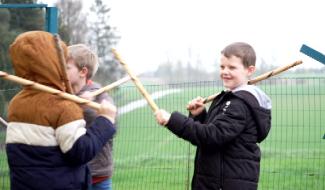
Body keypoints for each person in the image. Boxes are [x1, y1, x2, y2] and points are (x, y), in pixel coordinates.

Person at [5, 31, 116, 190]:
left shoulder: (16, 102)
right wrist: (105, 120)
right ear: (53, 63)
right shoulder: (63, 106)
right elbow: (80, 151)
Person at [155, 42, 272, 190]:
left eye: (232, 67)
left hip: (226, 184)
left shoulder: (239, 105)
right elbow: (213, 134)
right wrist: (199, 115)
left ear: (250, 70)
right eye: (222, 67)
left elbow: (212, 136)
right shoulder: (228, 99)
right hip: (216, 181)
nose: (225, 71)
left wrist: (172, 120)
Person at [66, 44, 116, 190]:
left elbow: (111, 124)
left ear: (83, 72)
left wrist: (88, 107)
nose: (61, 71)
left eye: (67, 68)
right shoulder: (62, 93)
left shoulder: (99, 94)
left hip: (97, 175)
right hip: (72, 173)